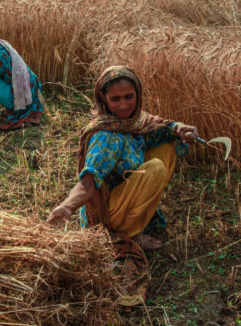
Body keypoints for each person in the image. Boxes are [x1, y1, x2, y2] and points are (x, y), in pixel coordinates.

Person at [46, 66, 198, 305]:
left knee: (165, 147)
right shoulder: (105, 135)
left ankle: (137, 221)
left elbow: (161, 129)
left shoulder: (136, 122)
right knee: (155, 167)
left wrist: (179, 128)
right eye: (115, 99)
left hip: (125, 196)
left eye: (129, 97)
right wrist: (67, 207)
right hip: (108, 212)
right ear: (103, 99)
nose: (124, 105)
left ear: (138, 94)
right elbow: (88, 182)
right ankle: (131, 233)